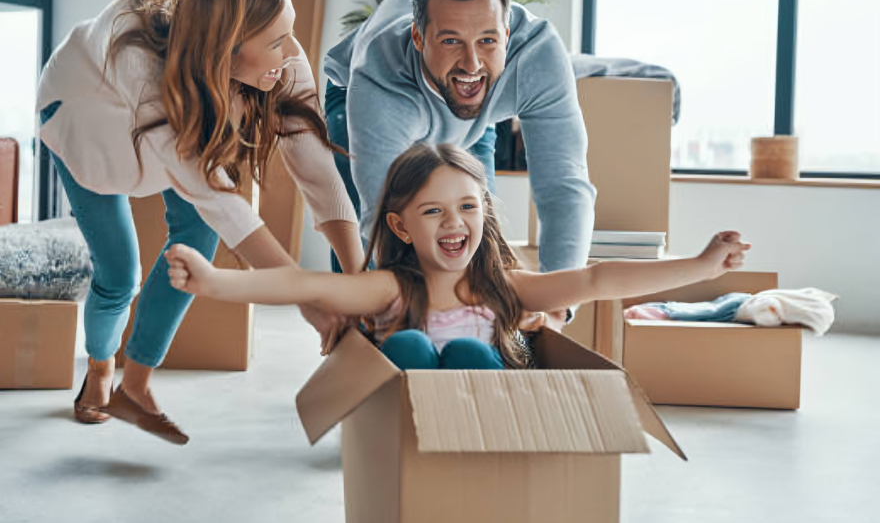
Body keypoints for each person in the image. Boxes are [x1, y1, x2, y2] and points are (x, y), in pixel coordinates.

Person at [36, 0, 362, 445]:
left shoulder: (277, 60)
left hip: (175, 131)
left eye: (289, 31)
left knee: (197, 241)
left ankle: (137, 387)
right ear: (228, 50)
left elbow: (318, 172)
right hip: (86, 129)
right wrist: (309, 298)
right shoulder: (141, 68)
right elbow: (225, 204)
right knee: (119, 275)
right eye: (277, 42)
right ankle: (101, 367)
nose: (292, 52)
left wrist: (355, 283)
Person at [165, 144, 750, 371]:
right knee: (410, 345)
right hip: (407, 431)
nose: (454, 224)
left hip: (484, 428)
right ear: (399, 225)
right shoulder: (391, 288)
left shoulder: (506, 289)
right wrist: (215, 282)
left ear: (484, 213)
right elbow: (305, 287)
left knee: (471, 348)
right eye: (433, 212)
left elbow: (598, 278)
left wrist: (700, 267)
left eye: (468, 207)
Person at [323, 0, 596, 326]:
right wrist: (412, 314)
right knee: (360, 231)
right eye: (451, 40)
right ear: (419, 38)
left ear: (507, 35)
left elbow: (564, 186)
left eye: (487, 41)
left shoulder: (536, 60)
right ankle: (354, 337)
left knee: (476, 224)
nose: (471, 62)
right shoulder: (379, 77)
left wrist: (555, 308)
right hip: (358, 94)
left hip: (471, 111)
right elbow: (383, 216)